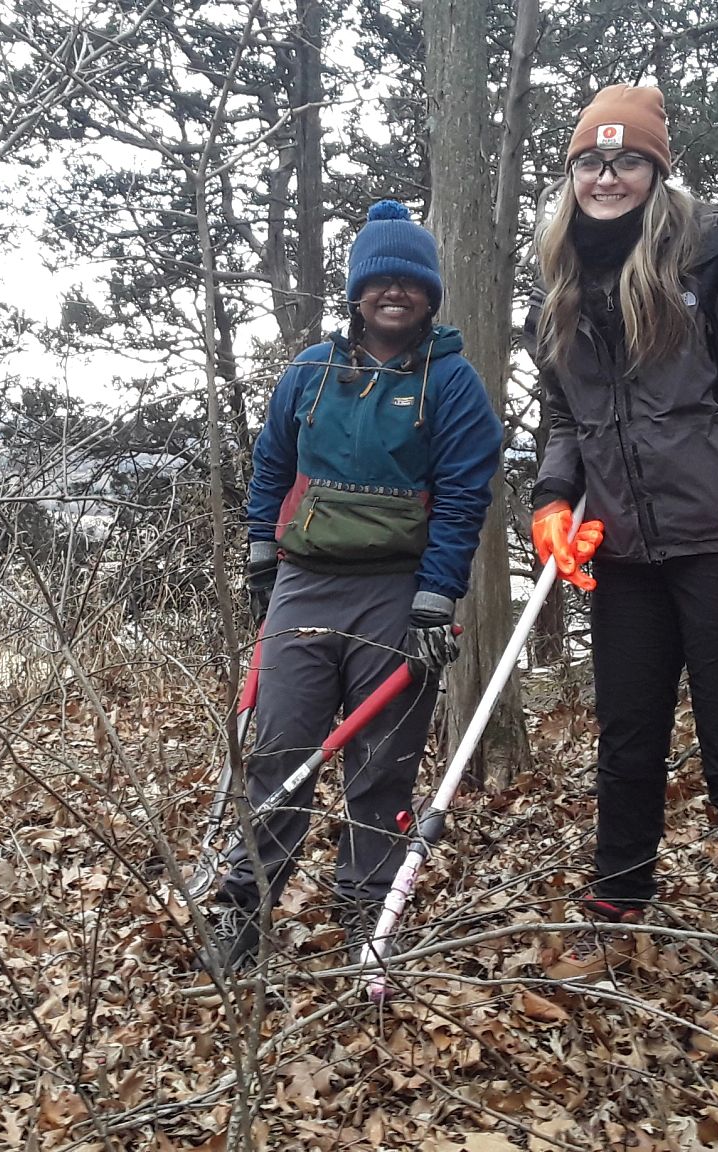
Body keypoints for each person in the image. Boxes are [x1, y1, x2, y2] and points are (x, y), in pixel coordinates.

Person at [525, 85, 718, 1048]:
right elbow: (564, 415)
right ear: (571, 176)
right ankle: (617, 913)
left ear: (656, 170)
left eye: (627, 161)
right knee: (626, 737)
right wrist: (554, 500)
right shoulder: (562, 276)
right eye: (590, 163)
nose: (607, 177)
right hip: (626, 555)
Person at [198, 200, 502, 972]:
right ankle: (245, 906)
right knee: (280, 750)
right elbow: (271, 467)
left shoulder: (454, 384)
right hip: (305, 583)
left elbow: (466, 495)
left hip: (397, 592)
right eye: (379, 281)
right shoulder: (310, 372)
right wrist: (262, 556)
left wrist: (437, 597)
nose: (394, 292)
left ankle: (367, 908)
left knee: (383, 762)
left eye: (410, 281)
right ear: (357, 293)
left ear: (430, 295)